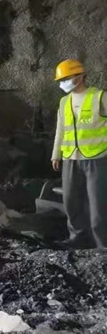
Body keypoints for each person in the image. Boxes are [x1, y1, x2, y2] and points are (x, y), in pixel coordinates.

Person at [51, 59, 107, 249]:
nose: (63, 83)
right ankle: (78, 238)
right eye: (61, 80)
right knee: (71, 202)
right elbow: (60, 130)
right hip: (70, 159)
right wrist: (56, 154)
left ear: (80, 76)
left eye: (67, 78)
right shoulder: (64, 102)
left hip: (97, 158)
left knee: (98, 206)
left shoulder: (100, 97)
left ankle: (102, 245)